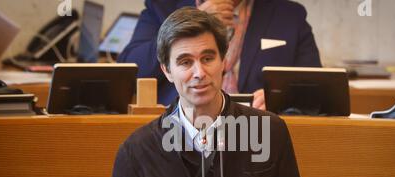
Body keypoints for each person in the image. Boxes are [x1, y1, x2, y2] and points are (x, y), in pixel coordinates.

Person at [95, 7, 328, 177]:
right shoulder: (137, 150)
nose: (199, 73)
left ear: (223, 61)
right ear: (167, 70)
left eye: (208, 58)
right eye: (184, 62)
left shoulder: (270, 132)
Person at [118, 0, 321, 110]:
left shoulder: (289, 15)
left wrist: (280, 98)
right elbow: (130, 72)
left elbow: (317, 88)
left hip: (259, 131)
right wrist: (189, 21)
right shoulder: (163, 6)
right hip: (179, 130)